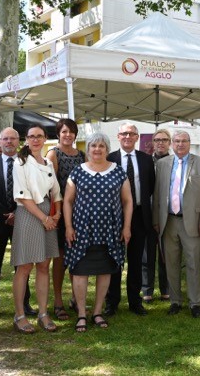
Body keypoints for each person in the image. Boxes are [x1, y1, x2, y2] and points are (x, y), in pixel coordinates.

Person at [64, 133, 132, 331]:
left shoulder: (118, 172)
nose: (97, 149)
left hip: (109, 231)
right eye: (94, 145)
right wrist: (68, 226)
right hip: (82, 231)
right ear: (89, 148)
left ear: (107, 149)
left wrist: (126, 226)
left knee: (105, 271)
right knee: (80, 271)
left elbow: (127, 201)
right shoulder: (78, 171)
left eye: (101, 145)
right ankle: (82, 314)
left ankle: (97, 312)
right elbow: (68, 201)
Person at [153, 130, 200, 318]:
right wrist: (156, 220)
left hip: (192, 223)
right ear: (172, 143)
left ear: (189, 143)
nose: (180, 144)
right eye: (177, 141)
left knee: (193, 263)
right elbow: (156, 194)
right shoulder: (162, 164)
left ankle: (195, 303)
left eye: (184, 141)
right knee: (171, 263)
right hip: (168, 221)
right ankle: (175, 301)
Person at [11, 124, 62, 334]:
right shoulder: (20, 162)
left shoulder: (49, 163)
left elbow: (56, 191)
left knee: (43, 266)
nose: (35, 140)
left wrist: (56, 214)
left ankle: (43, 313)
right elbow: (22, 195)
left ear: (45, 139)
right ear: (26, 139)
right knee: (24, 267)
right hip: (29, 214)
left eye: (39, 136)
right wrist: (44, 218)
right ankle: (20, 315)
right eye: (31, 136)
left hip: (48, 215)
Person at [0, 127, 34, 322]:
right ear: (0, 141)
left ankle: (25, 303)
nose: (9, 142)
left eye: (13, 139)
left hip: (22, 217)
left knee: (22, 264)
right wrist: (3, 213)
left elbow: (30, 191)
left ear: (18, 141)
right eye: (5, 139)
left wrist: (17, 212)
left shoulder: (26, 164)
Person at [104, 123, 156, 317]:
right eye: (124, 133)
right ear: (118, 136)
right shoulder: (110, 159)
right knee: (115, 260)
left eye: (131, 134)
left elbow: (150, 187)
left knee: (135, 260)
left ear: (137, 137)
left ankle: (135, 301)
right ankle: (112, 302)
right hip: (114, 218)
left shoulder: (146, 159)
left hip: (140, 216)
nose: (127, 136)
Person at [46, 118, 85, 321]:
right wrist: (58, 213)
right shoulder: (53, 154)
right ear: (58, 134)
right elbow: (51, 187)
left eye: (71, 132)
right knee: (60, 258)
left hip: (80, 213)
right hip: (61, 212)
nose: (67, 135)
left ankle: (76, 299)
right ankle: (58, 301)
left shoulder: (82, 155)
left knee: (77, 256)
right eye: (64, 132)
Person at [142, 128, 170, 303]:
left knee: (166, 254)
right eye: (157, 140)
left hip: (169, 214)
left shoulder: (176, 161)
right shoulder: (146, 162)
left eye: (164, 140)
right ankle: (147, 289)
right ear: (152, 143)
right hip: (148, 212)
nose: (160, 142)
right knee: (148, 253)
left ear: (169, 143)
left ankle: (166, 288)